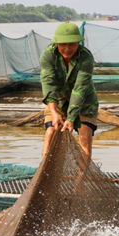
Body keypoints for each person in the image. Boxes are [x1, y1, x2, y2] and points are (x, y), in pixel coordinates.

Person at [40, 22, 98, 158]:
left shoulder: (86, 58)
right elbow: (48, 85)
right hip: (58, 101)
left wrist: (71, 118)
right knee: (50, 133)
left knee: (85, 137)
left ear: (78, 43)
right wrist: (54, 113)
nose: (68, 48)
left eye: (72, 44)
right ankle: (45, 174)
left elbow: (80, 89)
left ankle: (80, 179)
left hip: (84, 102)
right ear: (56, 44)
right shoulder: (48, 55)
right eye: (63, 44)